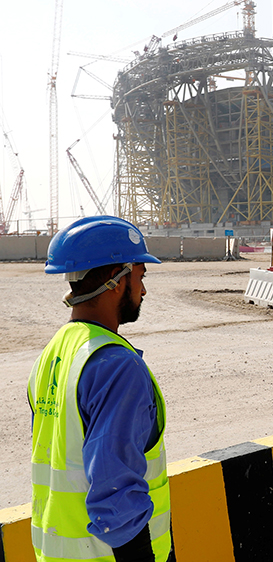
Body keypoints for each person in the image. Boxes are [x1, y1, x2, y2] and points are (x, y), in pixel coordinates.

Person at [28, 216, 172, 562]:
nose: (143, 289)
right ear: (115, 279)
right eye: (140, 276)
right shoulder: (117, 368)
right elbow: (115, 493)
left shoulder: (54, 353)